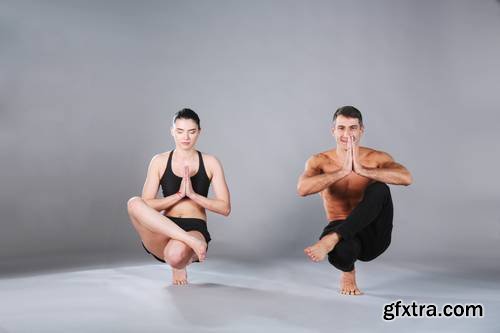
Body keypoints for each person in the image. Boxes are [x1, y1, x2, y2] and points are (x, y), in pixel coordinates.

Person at [297, 106, 412, 295]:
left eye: (352, 128)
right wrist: (342, 171)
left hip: (373, 234)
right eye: (341, 128)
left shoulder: (376, 158)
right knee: (341, 253)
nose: (347, 134)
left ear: (361, 130)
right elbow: (302, 189)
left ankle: (331, 239)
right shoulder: (319, 161)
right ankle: (347, 271)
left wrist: (363, 170)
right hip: (343, 231)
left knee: (380, 188)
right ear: (333, 131)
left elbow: (406, 178)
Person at [127, 108, 231, 285]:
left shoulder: (210, 162)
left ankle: (182, 254)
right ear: (172, 131)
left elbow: (225, 208)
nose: (186, 137)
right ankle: (187, 241)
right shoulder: (159, 161)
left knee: (175, 256)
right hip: (164, 227)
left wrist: (193, 195)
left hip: (194, 226)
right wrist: (178, 196)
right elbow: (146, 205)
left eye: (191, 132)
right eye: (180, 131)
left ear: (199, 132)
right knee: (134, 203)